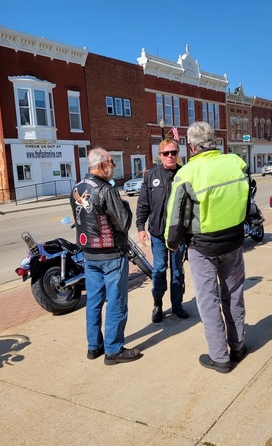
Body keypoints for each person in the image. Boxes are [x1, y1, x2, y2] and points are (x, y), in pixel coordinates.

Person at [165, 121, 250, 374]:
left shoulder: (187, 173)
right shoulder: (236, 163)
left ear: (192, 147)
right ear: (214, 141)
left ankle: (219, 356)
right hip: (233, 240)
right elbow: (247, 198)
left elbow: (175, 216)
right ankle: (238, 345)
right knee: (234, 294)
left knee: (208, 300)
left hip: (202, 246)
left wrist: (172, 242)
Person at [70, 147, 142, 365]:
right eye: (111, 162)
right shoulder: (106, 190)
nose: (114, 166)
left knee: (93, 301)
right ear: (101, 165)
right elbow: (123, 223)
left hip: (90, 255)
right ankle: (113, 349)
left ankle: (94, 346)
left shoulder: (77, 187)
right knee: (116, 302)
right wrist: (125, 205)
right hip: (111, 254)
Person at [136, 138, 188, 323]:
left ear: (178, 154)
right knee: (159, 269)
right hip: (158, 234)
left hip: (178, 234)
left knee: (177, 270)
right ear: (160, 155)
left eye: (173, 152)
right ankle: (157, 304)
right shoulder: (151, 175)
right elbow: (143, 203)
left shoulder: (185, 174)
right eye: (166, 153)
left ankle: (177, 305)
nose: (170, 156)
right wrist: (140, 227)